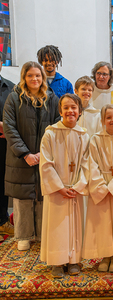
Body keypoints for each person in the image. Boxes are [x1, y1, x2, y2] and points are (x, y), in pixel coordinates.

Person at [3, 61, 60, 251]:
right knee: (23, 197)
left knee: (43, 195)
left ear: (42, 78)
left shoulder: (52, 99)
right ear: (24, 78)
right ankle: (24, 235)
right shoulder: (14, 98)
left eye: (38, 75)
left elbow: (57, 126)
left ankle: (43, 233)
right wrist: (25, 153)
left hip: (44, 156)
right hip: (20, 157)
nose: (34, 79)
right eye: (30, 76)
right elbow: (9, 128)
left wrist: (43, 153)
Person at [40, 94, 89, 278]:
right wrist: (60, 187)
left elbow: (87, 164)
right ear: (60, 111)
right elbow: (45, 164)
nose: (70, 111)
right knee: (57, 226)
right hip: (57, 191)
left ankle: (74, 260)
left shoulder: (84, 135)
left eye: (74, 108)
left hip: (75, 189)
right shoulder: (50, 133)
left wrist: (78, 186)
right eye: (66, 108)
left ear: (79, 112)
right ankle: (57, 262)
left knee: (75, 224)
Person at [82, 104, 113, 273]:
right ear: (103, 121)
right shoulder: (95, 139)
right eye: (109, 117)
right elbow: (91, 164)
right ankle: (105, 255)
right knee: (102, 222)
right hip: (101, 185)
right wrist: (102, 186)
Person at [0, 52, 15, 242]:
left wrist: (6, 126)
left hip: (3, 142)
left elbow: (15, 115)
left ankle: (3, 220)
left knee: (1, 181)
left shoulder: (11, 88)